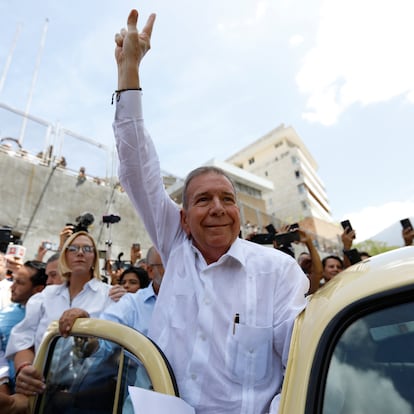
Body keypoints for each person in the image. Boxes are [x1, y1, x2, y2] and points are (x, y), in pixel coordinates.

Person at [112, 10, 309, 413]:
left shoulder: (278, 272)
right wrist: (129, 70)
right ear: (182, 219)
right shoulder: (175, 244)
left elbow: (299, 365)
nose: (218, 208)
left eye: (228, 198)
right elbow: (138, 167)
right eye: (202, 200)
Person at [6, 231, 117, 397]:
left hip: (85, 396)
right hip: (40, 393)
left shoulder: (110, 297)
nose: (80, 253)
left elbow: (111, 349)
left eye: (87, 248)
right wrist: (25, 369)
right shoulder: (45, 296)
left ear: (94, 258)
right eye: (73, 248)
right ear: (64, 257)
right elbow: (23, 340)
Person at [0, 261, 47, 394]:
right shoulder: (5, 315)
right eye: (14, 280)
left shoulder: (49, 318)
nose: (12, 287)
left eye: (20, 283)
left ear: (38, 289)